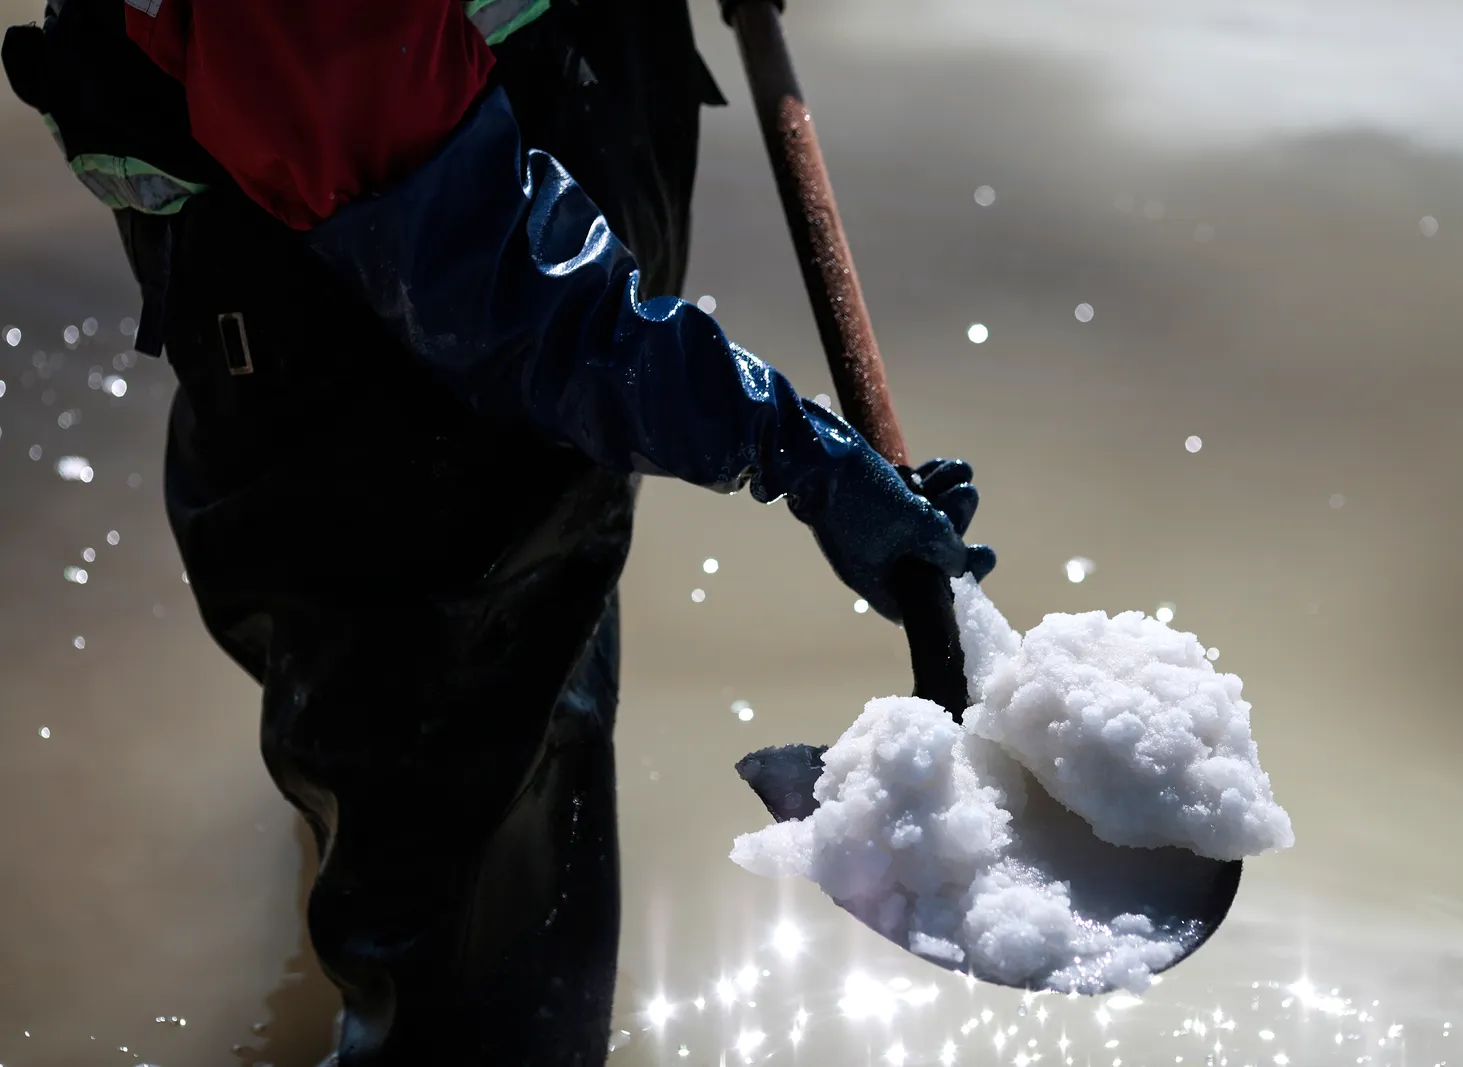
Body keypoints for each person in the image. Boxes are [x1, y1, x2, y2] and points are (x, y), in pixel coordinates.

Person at [3, 1, 996, 1063]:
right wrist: (781, 441)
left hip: (512, 167)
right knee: (465, 942)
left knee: (464, 796)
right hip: (372, 349)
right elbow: (482, 274)